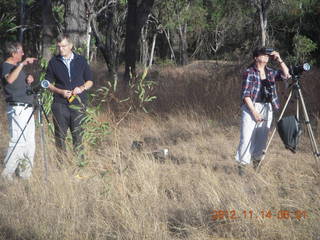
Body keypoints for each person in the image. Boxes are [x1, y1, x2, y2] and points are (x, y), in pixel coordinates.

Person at [235, 47, 290, 171]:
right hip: (251, 107)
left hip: (267, 107)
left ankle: (256, 166)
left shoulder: (271, 72)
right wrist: (254, 112)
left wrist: (279, 59)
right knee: (246, 138)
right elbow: (246, 94)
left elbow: (287, 75)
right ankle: (242, 167)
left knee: (262, 138)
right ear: (256, 57)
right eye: (263, 54)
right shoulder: (249, 72)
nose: (266, 56)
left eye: (267, 55)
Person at [45, 34, 93, 161]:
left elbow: (90, 81)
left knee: (78, 135)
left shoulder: (81, 60)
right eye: (59, 47)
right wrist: (60, 91)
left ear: (71, 46)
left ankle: (79, 164)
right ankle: (61, 167)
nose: (61, 49)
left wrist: (81, 88)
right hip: (60, 104)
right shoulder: (53, 62)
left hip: (78, 103)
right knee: (60, 136)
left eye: (64, 46)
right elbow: (47, 83)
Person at [1, 42, 37, 180]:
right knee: (18, 141)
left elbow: (16, 82)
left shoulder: (16, 67)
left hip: (27, 107)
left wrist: (27, 80)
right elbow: (10, 79)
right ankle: (7, 174)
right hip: (18, 109)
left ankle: (24, 175)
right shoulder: (6, 66)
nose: (23, 54)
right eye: (20, 52)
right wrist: (22, 64)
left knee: (29, 142)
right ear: (13, 53)